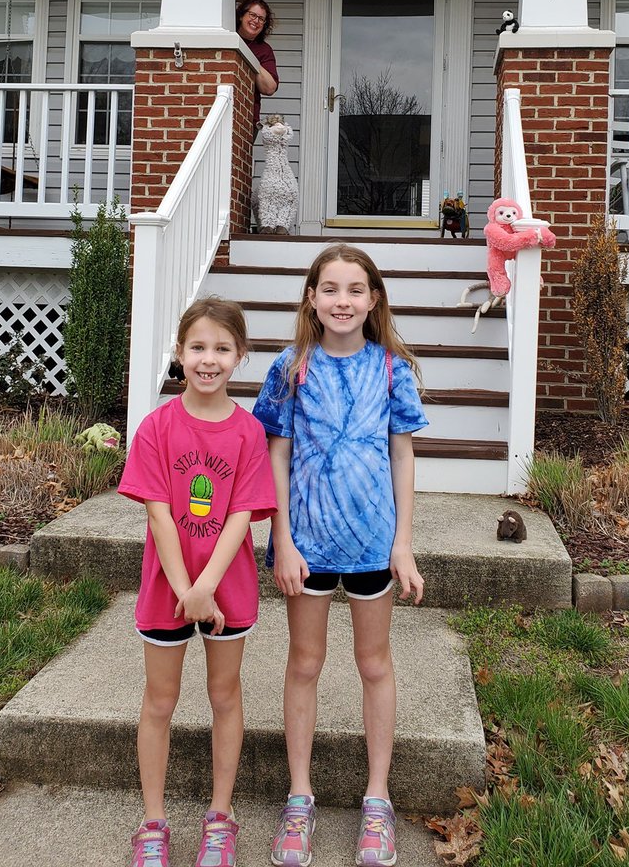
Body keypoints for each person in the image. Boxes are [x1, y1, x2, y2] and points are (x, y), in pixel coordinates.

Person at [252, 244, 428, 867]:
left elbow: (403, 454)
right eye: (330, 288)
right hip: (308, 544)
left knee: (374, 664)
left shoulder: (391, 370)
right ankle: (299, 796)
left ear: (374, 299)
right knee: (305, 662)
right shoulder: (291, 367)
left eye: (356, 289)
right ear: (311, 298)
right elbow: (274, 455)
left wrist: (402, 543)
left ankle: (376, 799)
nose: (343, 300)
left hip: (373, 543)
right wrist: (282, 539)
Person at [119, 297, 277, 867]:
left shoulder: (248, 433)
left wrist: (207, 587)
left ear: (239, 356)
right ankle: (153, 821)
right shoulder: (157, 428)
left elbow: (243, 515)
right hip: (168, 587)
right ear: (179, 353)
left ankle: (220, 817)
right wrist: (187, 589)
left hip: (225, 588)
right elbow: (159, 513)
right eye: (198, 347)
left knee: (224, 695)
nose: (208, 360)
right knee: (160, 700)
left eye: (221, 349)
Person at [236, 0, 279, 128]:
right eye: (252, 15)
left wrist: (251, 58)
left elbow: (269, 88)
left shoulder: (264, 50)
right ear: (242, 15)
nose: (256, 21)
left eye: (261, 19)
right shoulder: (228, 39)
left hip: (247, 119)